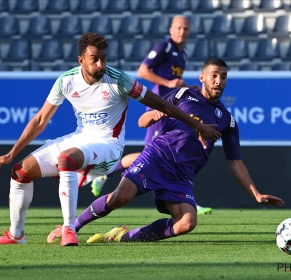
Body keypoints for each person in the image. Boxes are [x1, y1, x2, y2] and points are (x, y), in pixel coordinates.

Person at [0, 32, 220, 247]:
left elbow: (162, 105)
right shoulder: (66, 81)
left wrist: (196, 124)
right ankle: (16, 235)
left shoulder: (119, 81)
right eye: (95, 59)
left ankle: (69, 229)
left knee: (67, 158)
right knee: (20, 172)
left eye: (104, 58)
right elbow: (40, 120)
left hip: (109, 144)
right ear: (81, 60)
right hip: (81, 137)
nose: (101, 64)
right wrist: (11, 152)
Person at [46, 58, 284, 245]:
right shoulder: (183, 95)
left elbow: (235, 162)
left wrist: (255, 193)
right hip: (157, 157)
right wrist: (154, 114)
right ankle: (71, 227)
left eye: (223, 77)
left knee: (187, 223)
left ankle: (122, 237)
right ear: (202, 77)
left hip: (182, 176)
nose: (218, 81)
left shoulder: (228, 121)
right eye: (214, 75)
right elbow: (143, 120)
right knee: (120, 198)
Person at [90, 15, 213, 215]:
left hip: (172, 109)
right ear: (171, 30)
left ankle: (105, 174)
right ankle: (104, 173)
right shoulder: (164, 46)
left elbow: (173, 80)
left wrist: (183, 86)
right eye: (179, 28)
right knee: (151, 155)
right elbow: (143, 71)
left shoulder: (182, 53)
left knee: (160, 155)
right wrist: (168, 83)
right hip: (159, 111)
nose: (182, 32)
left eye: (186, 29)